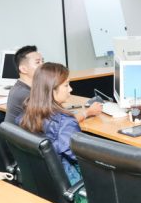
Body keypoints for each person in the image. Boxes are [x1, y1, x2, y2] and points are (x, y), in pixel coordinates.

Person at [18, 63, 102, 191]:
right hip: (70, 181)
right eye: (66, 85)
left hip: (42, 183)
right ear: (51, 89)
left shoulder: (26, 114)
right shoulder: (65, 122)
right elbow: (80, 158)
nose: (70, 89)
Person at [3, 45, 44, 124]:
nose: (43, 66)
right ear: (23, 69)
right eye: (38, 62)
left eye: (43, 61)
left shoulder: (19, 87)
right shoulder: (25, 94)